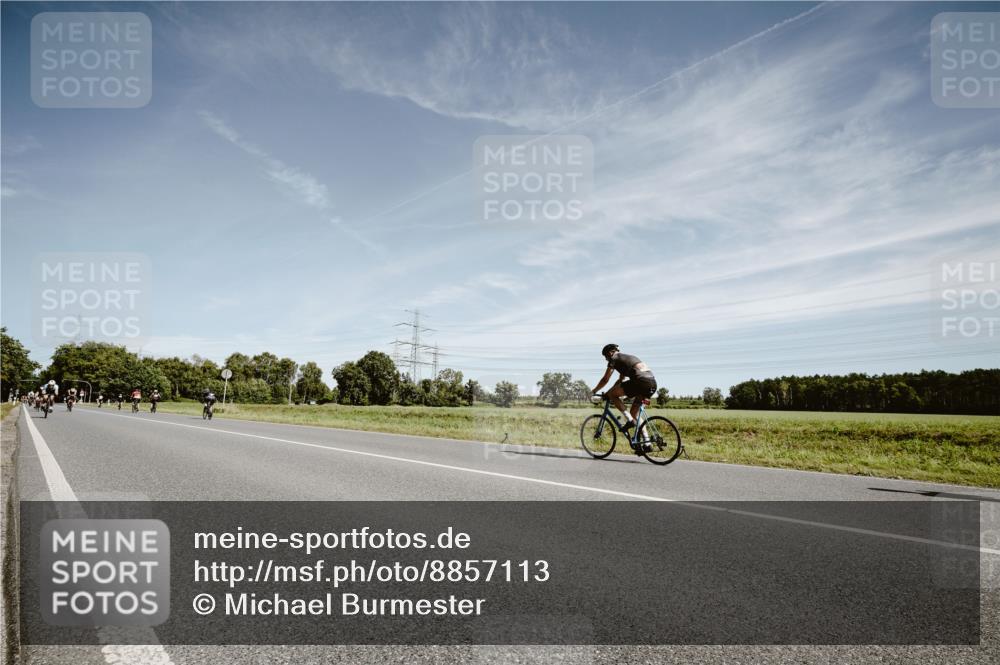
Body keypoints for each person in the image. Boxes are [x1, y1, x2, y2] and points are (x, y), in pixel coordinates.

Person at [591, 344, 657, 438]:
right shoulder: (627, 358)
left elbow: (605, 379)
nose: (606, 360)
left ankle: (630, 421)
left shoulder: (614, 358)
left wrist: (594, 391)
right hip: (652, 383)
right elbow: (620, 381)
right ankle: (647, 443)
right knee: (635, 413)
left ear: (611, 353)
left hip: (640, 382)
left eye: (606, 357)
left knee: (613, 395)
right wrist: (608, 393)